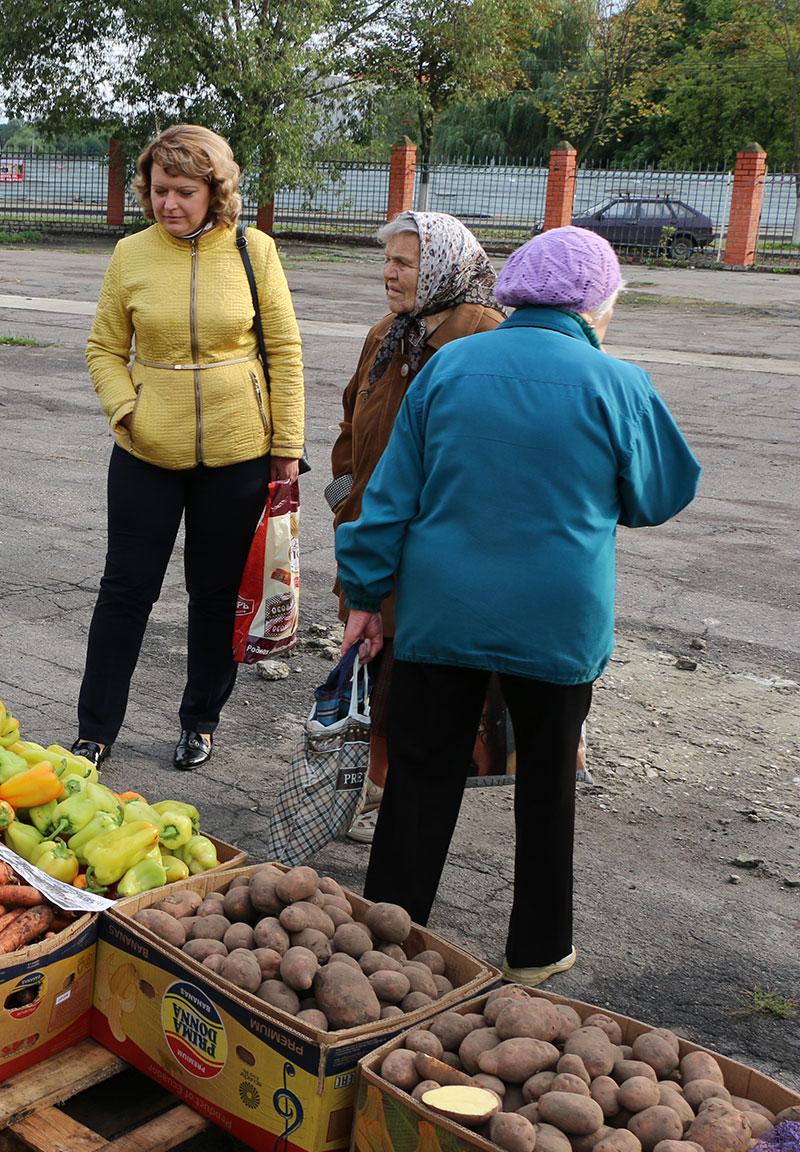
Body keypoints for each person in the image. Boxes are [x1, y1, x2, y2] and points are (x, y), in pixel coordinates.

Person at [337, 226, 700, 986]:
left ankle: (386, 943)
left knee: (421, 775)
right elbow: (660, 495)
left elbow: (387, 500)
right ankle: (536, 951)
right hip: (558, 622)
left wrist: (365, 597)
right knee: (547, 778)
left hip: (443, 614)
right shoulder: (618, 383)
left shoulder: (450, 366)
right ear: (595, 305)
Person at [72, 124, 304, 772]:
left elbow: (285, 350)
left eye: (183, 191)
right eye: (158, 190)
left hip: (238, 452)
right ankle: (95, 730)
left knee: (216, 595)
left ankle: (201, 721)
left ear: (216, 191)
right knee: (125, 590)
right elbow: (103, 348)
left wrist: (287, 445)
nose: (167, 203)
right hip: (145, 452)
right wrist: (126, 409)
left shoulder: (255, 251)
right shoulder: (131, 254)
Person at [329, 210, 504, 842]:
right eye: (387, 260)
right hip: (372, 537)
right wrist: (345, 492)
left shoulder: (484, 338)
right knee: (373, 672)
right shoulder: (387, 334)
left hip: (433, 551)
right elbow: (352, 423)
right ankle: (374, 789)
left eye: (405, 263)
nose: (389, 273)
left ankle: (403, 800)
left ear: (443, 270)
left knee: (416, 682)